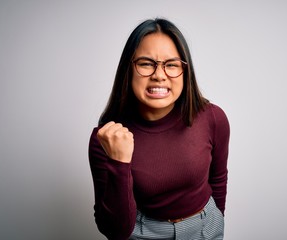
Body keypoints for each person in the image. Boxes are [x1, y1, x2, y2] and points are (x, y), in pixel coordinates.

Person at [88, 18, 230, 240]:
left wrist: (216, 222)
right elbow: (115, 231)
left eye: (171, 64)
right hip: (145, 233)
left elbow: (218, 180)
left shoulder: (213, 118)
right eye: (146, 63)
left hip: (205, 229)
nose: (159, 75)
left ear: (185, 71)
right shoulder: (106, 138)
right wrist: (119, 161)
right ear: (129, 68)